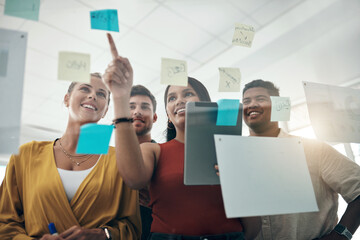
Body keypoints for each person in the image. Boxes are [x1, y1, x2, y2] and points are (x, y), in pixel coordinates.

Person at [103, 33, 261, 240]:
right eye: (171, 98)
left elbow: (253, 223)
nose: (179, 101)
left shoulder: (231, 151)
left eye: (187, 94)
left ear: (204, 102)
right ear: (168, 113)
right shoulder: (154, 150)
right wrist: (120, 97)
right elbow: (133, 178)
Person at [0, 73, 141, 240]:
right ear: (66, 99)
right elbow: (4, 222)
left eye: (101, 94)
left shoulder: (119, 160)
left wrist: (104, 235)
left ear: (105, 111)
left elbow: (132, 228)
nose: (92, 96)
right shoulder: (26, 155)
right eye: (85, 88)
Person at [242, 79, 360, 240]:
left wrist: (341, 235)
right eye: (246, 101)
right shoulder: (234, 160)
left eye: (260, 99)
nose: (251, 104)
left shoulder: (314, 150)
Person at [129, 85, 157, 240]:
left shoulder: (165, 156)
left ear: (154, 117)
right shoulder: (108, 159)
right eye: (131, 107)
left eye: (144, 107)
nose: (137, 112)